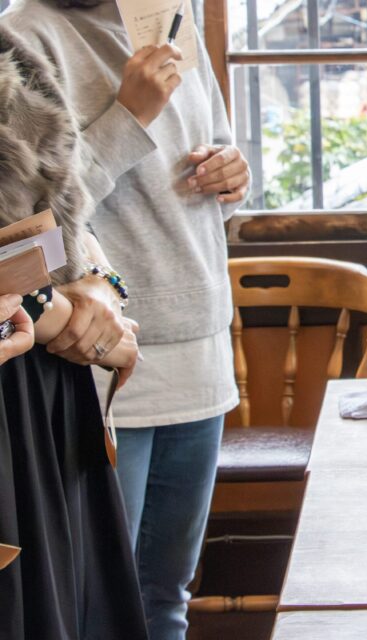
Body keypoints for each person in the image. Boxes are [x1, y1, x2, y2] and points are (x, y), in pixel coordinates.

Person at [3, 1, 251, 638]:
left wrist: (234, 177)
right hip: (100, 357)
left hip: (201, 345)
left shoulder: (173, 21)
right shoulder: (30, 34)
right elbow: (34, 226)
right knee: (95, 601)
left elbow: (209, 199)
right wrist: (130, 115)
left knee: (167, 596)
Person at [0, 24, 147, 639]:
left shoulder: (10, 51)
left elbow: (66, 221)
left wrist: (94, 279)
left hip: (44, 398)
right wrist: (52, 310)